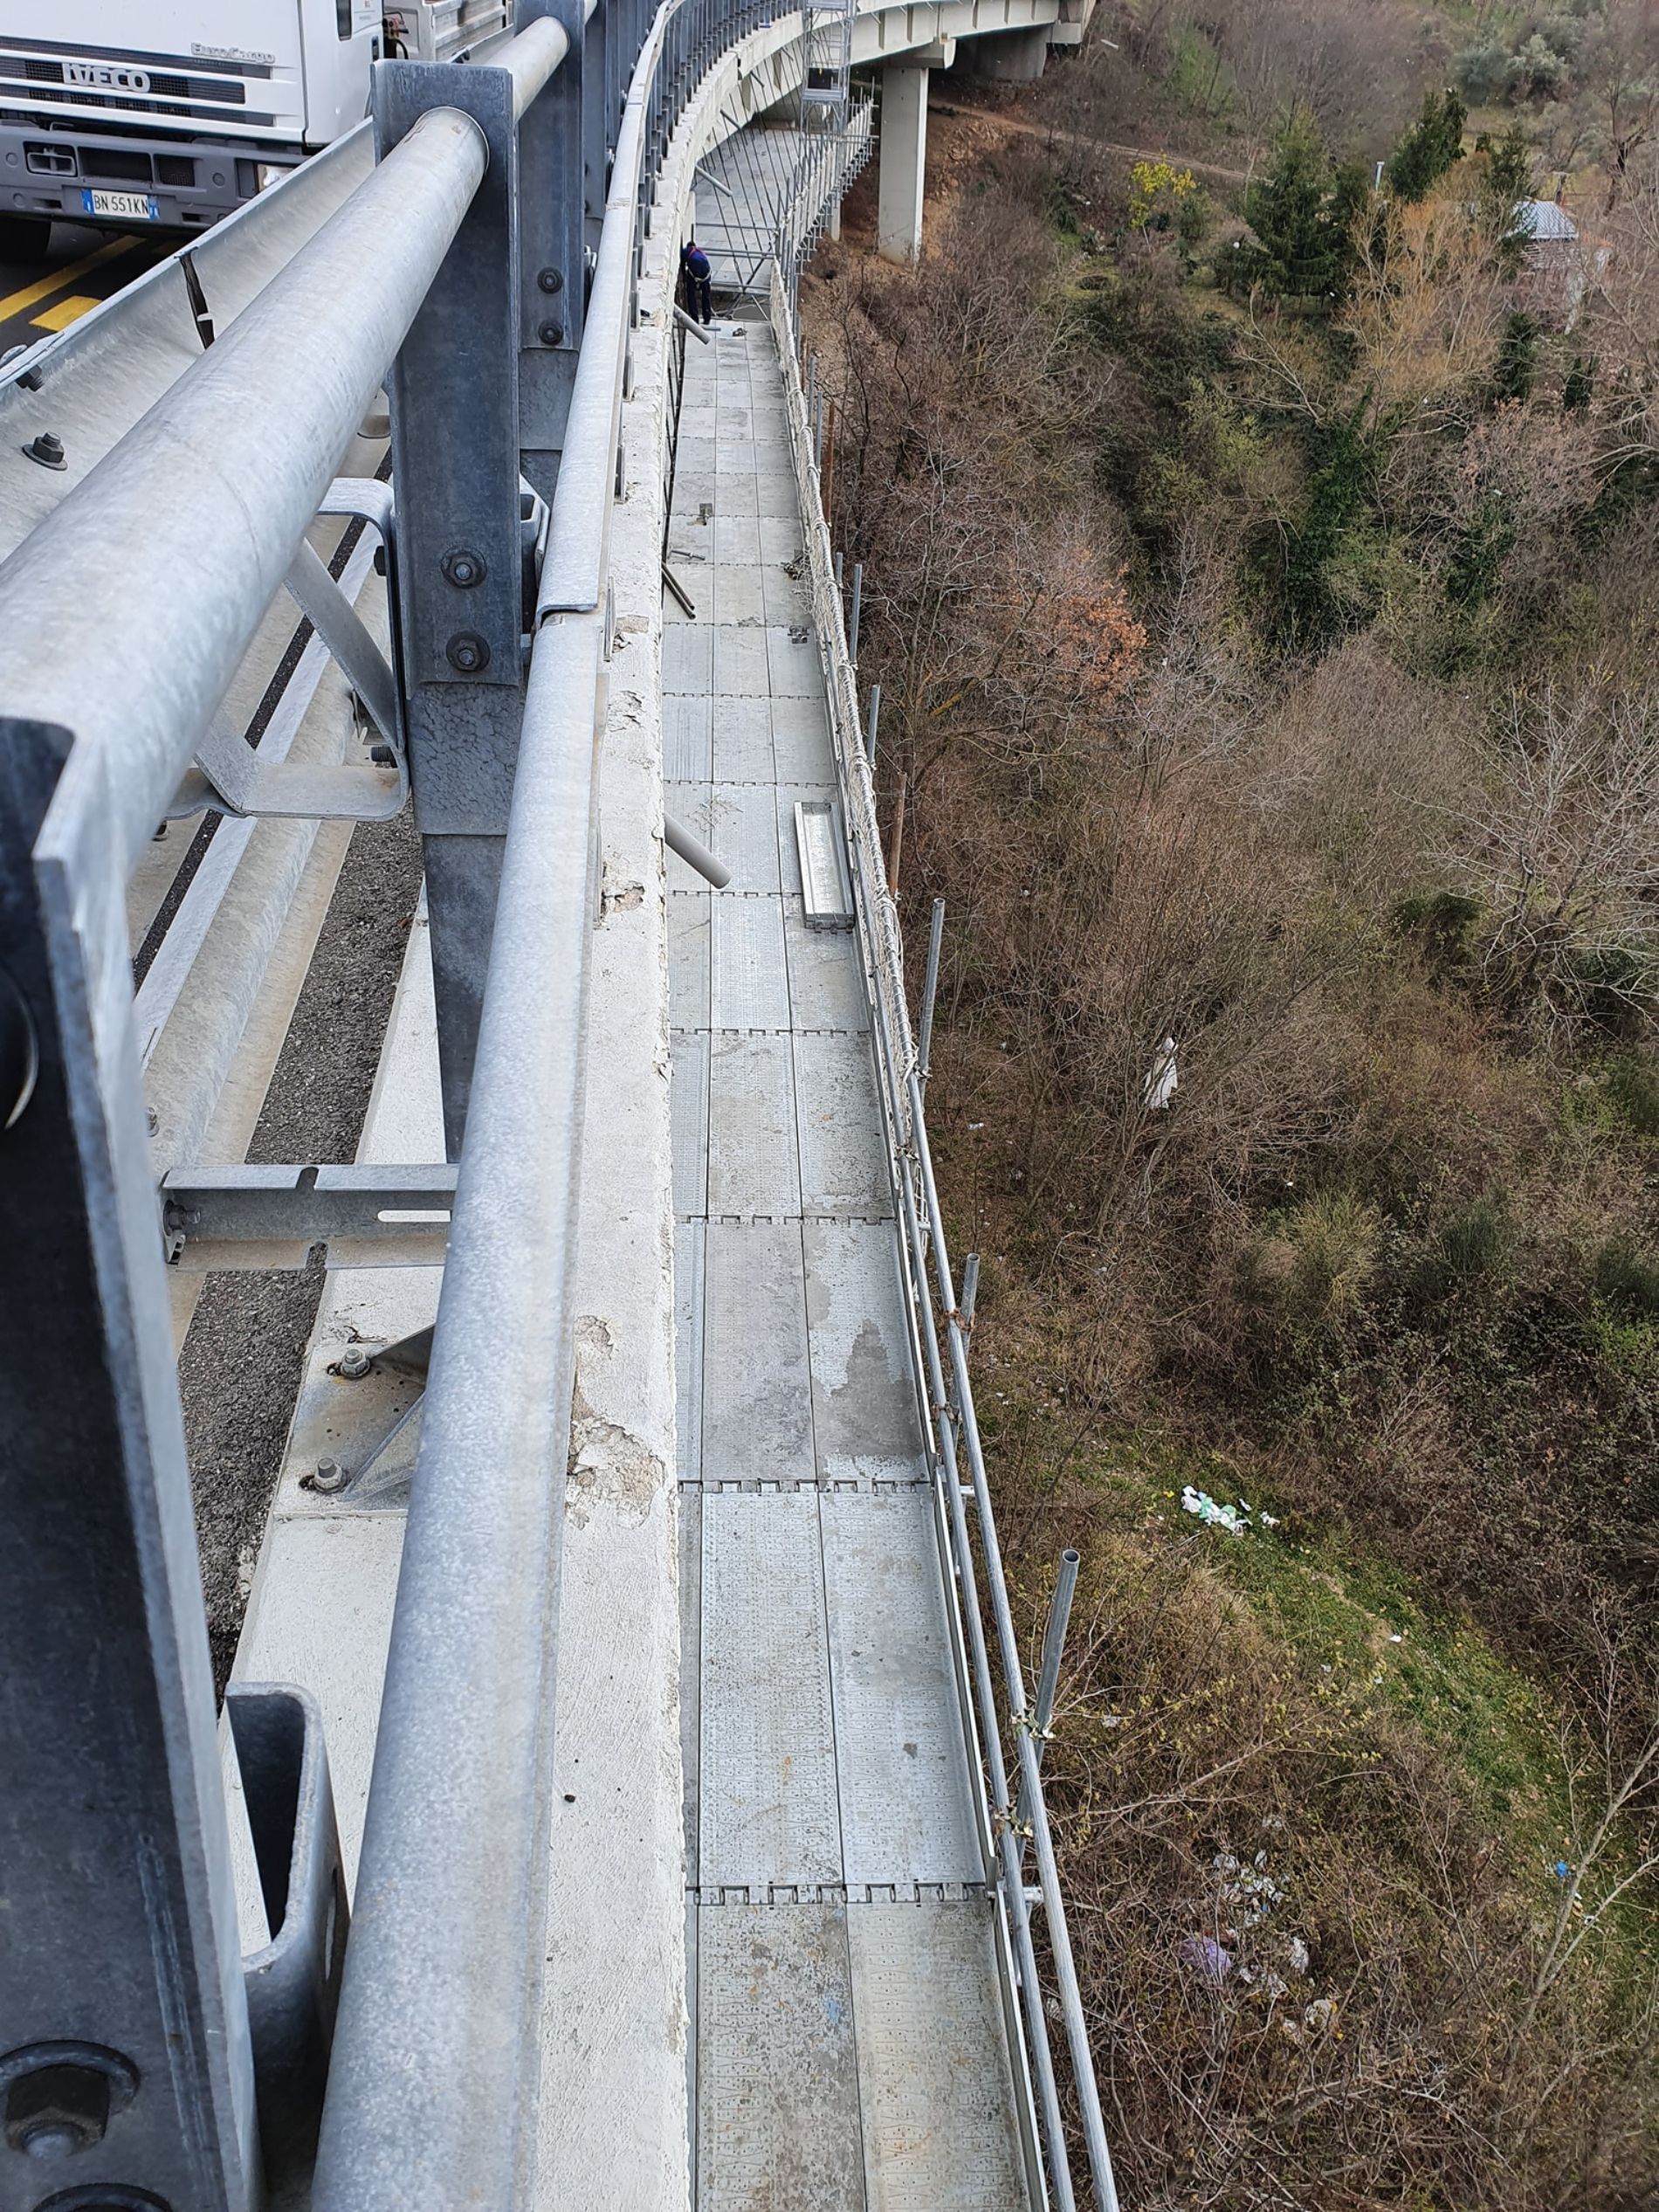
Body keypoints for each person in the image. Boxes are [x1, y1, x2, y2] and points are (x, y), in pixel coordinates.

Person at [680, 237, 713, 327]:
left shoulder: (686, 251)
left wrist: (685, 279)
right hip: (706, 268)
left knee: (691, 293)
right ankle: (707, 318)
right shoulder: (700, 251)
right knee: (705, 294)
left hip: (694, 265)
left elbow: (683, 266)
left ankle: (694, 318)